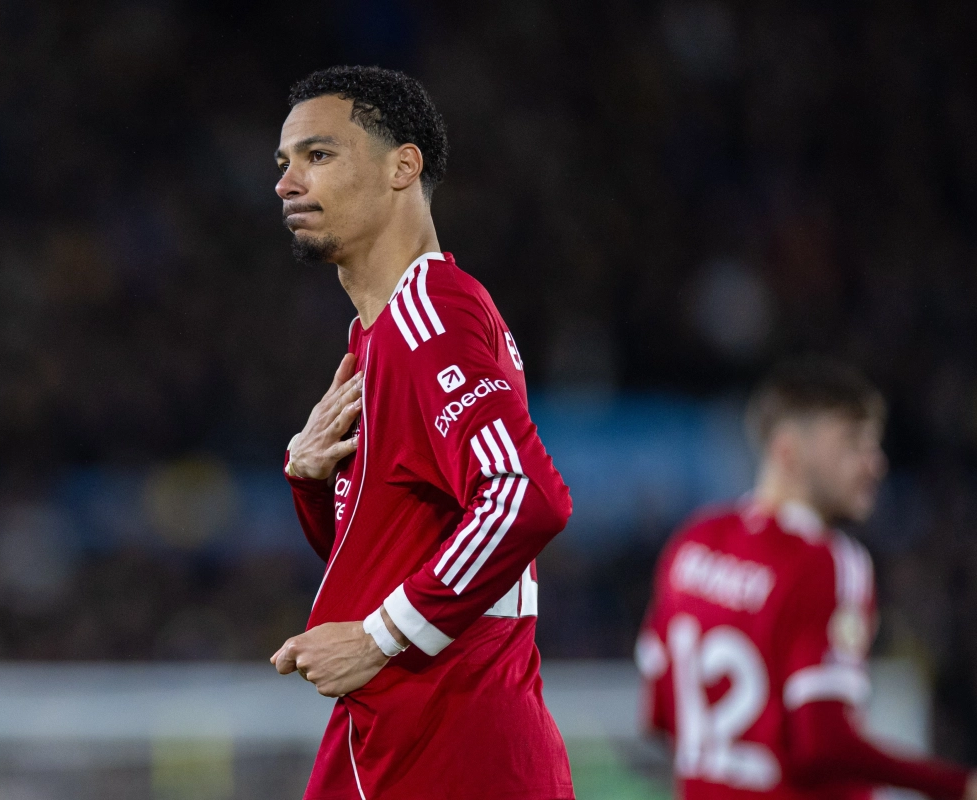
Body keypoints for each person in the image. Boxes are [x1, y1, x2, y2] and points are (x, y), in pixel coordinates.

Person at [268, 66, 575, 800]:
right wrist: (311, 481)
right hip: (397, 733)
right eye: (284, 163)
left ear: (403, 166)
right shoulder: (378, 337)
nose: (286, 183)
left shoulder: (430, 317)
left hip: (456, 743)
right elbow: (388, 553)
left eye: (318, 155)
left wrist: (380, 637)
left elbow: (525, 498)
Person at [636, 359, 977, 800]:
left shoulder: (691, 543)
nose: (875, 464)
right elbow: (821, 744)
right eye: (852, 443)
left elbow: (659, 714)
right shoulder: (828, 562)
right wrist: (956, 785)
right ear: (788, 450)